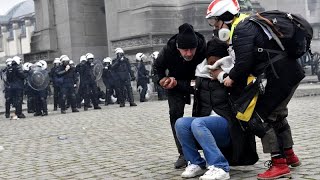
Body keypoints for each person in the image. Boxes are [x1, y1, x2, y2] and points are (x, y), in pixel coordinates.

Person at [206, 0, 303, 179]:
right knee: (277, 114)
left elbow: (244, 64)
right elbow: (248, 55)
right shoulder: (247, 23)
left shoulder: (241, 29)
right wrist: (226, 64)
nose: (214, 26)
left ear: (225, 17)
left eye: (214, 21)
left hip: (279, 76)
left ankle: (279, 163)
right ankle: (289, 155)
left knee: (258, 117)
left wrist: (229, 78)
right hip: (289, 73)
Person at [175, 37, 258, 180]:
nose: (212, 65)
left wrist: (222, 75)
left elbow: (245, 92)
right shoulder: (201, 73)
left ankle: (220, 167)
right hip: (206, 124)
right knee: (181, 123)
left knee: (198, 123)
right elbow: (191, 88)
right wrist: (174, 83)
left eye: (216, 62)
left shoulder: (235, 73)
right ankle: (196, 163)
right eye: (210, 61)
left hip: (230, 124)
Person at [153, 23, 207, 169]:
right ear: (178, 48)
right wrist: (161, 80)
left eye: (192, 49)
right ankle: (184, 153)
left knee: (203, 116)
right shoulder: (168, 50)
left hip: (199, 83)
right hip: (175, 85)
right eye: (185, 50)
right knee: (175, 115)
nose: (189, 53)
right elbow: (157, 68)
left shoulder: (205, 48)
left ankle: (210, 150)